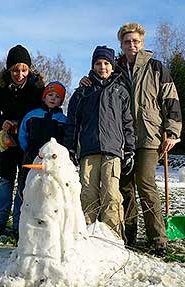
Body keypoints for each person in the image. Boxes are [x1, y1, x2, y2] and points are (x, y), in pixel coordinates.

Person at [80, 23, 182, 256]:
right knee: (124, 187)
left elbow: (171, 100)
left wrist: (173, 131)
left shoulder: (156, 68)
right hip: (120, 138)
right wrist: (86, 81)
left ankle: (158, 239)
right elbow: (99, 79)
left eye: (135, 41)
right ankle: (129, 235)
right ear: (121, 44)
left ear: (142, 42)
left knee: (145, 184)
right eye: (127, 42)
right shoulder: (115, 69)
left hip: (149, 135)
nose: (132, 45)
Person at [64, 46, 135, 238]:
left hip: (113, 153)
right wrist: (70, 148)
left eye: (106, 63)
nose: (102, 67)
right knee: (88, 195)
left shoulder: (120, 91)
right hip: (88, 151)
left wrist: (130, 150)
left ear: (112, 66)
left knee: (111, 195)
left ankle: (113, 238)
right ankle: (87, 235)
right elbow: (73, 123)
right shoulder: (82, 92)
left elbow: (128, 123)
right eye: (98, 63)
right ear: (92, 66)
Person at [0, 44, 44, 236]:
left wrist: (27, 125)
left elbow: (43, 111)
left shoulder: (37, 87)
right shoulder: (0, 87)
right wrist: (2, 122)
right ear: (9, 69)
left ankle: (19, 224)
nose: (20, 74)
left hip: (28, 143)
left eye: (24, 70)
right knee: (5, 180)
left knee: (23, 183)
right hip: (8, 142)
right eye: (15, 70)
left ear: (29, 69)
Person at [14, 81, 67, 230]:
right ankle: (20, 226)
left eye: (57, 97)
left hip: (52, 164)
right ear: (44, 97)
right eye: (50, 95)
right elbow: (22, 134)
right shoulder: (32, 115)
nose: (53, 98)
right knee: (25, 189)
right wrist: (29, 151)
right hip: (31, 157)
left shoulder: (62, 120)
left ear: (61, 101)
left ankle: (46, 225)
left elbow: (66, 141)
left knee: (48, 191)